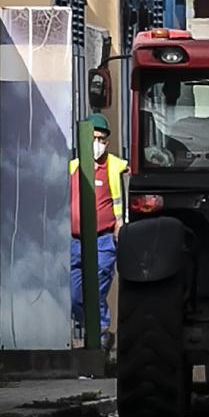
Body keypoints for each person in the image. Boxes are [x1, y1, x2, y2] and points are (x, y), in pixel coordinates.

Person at [70, 112, 128, 351]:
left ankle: (101, 333)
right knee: (75, 295)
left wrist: (120, 223)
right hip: (74, 241)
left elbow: (124, 196)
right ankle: (92, 330)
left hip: (103, 239)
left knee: (96, 290)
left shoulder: (116, 167)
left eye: (103, 139)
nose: (98, 144)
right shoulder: (73, 167)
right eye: (94, 138)